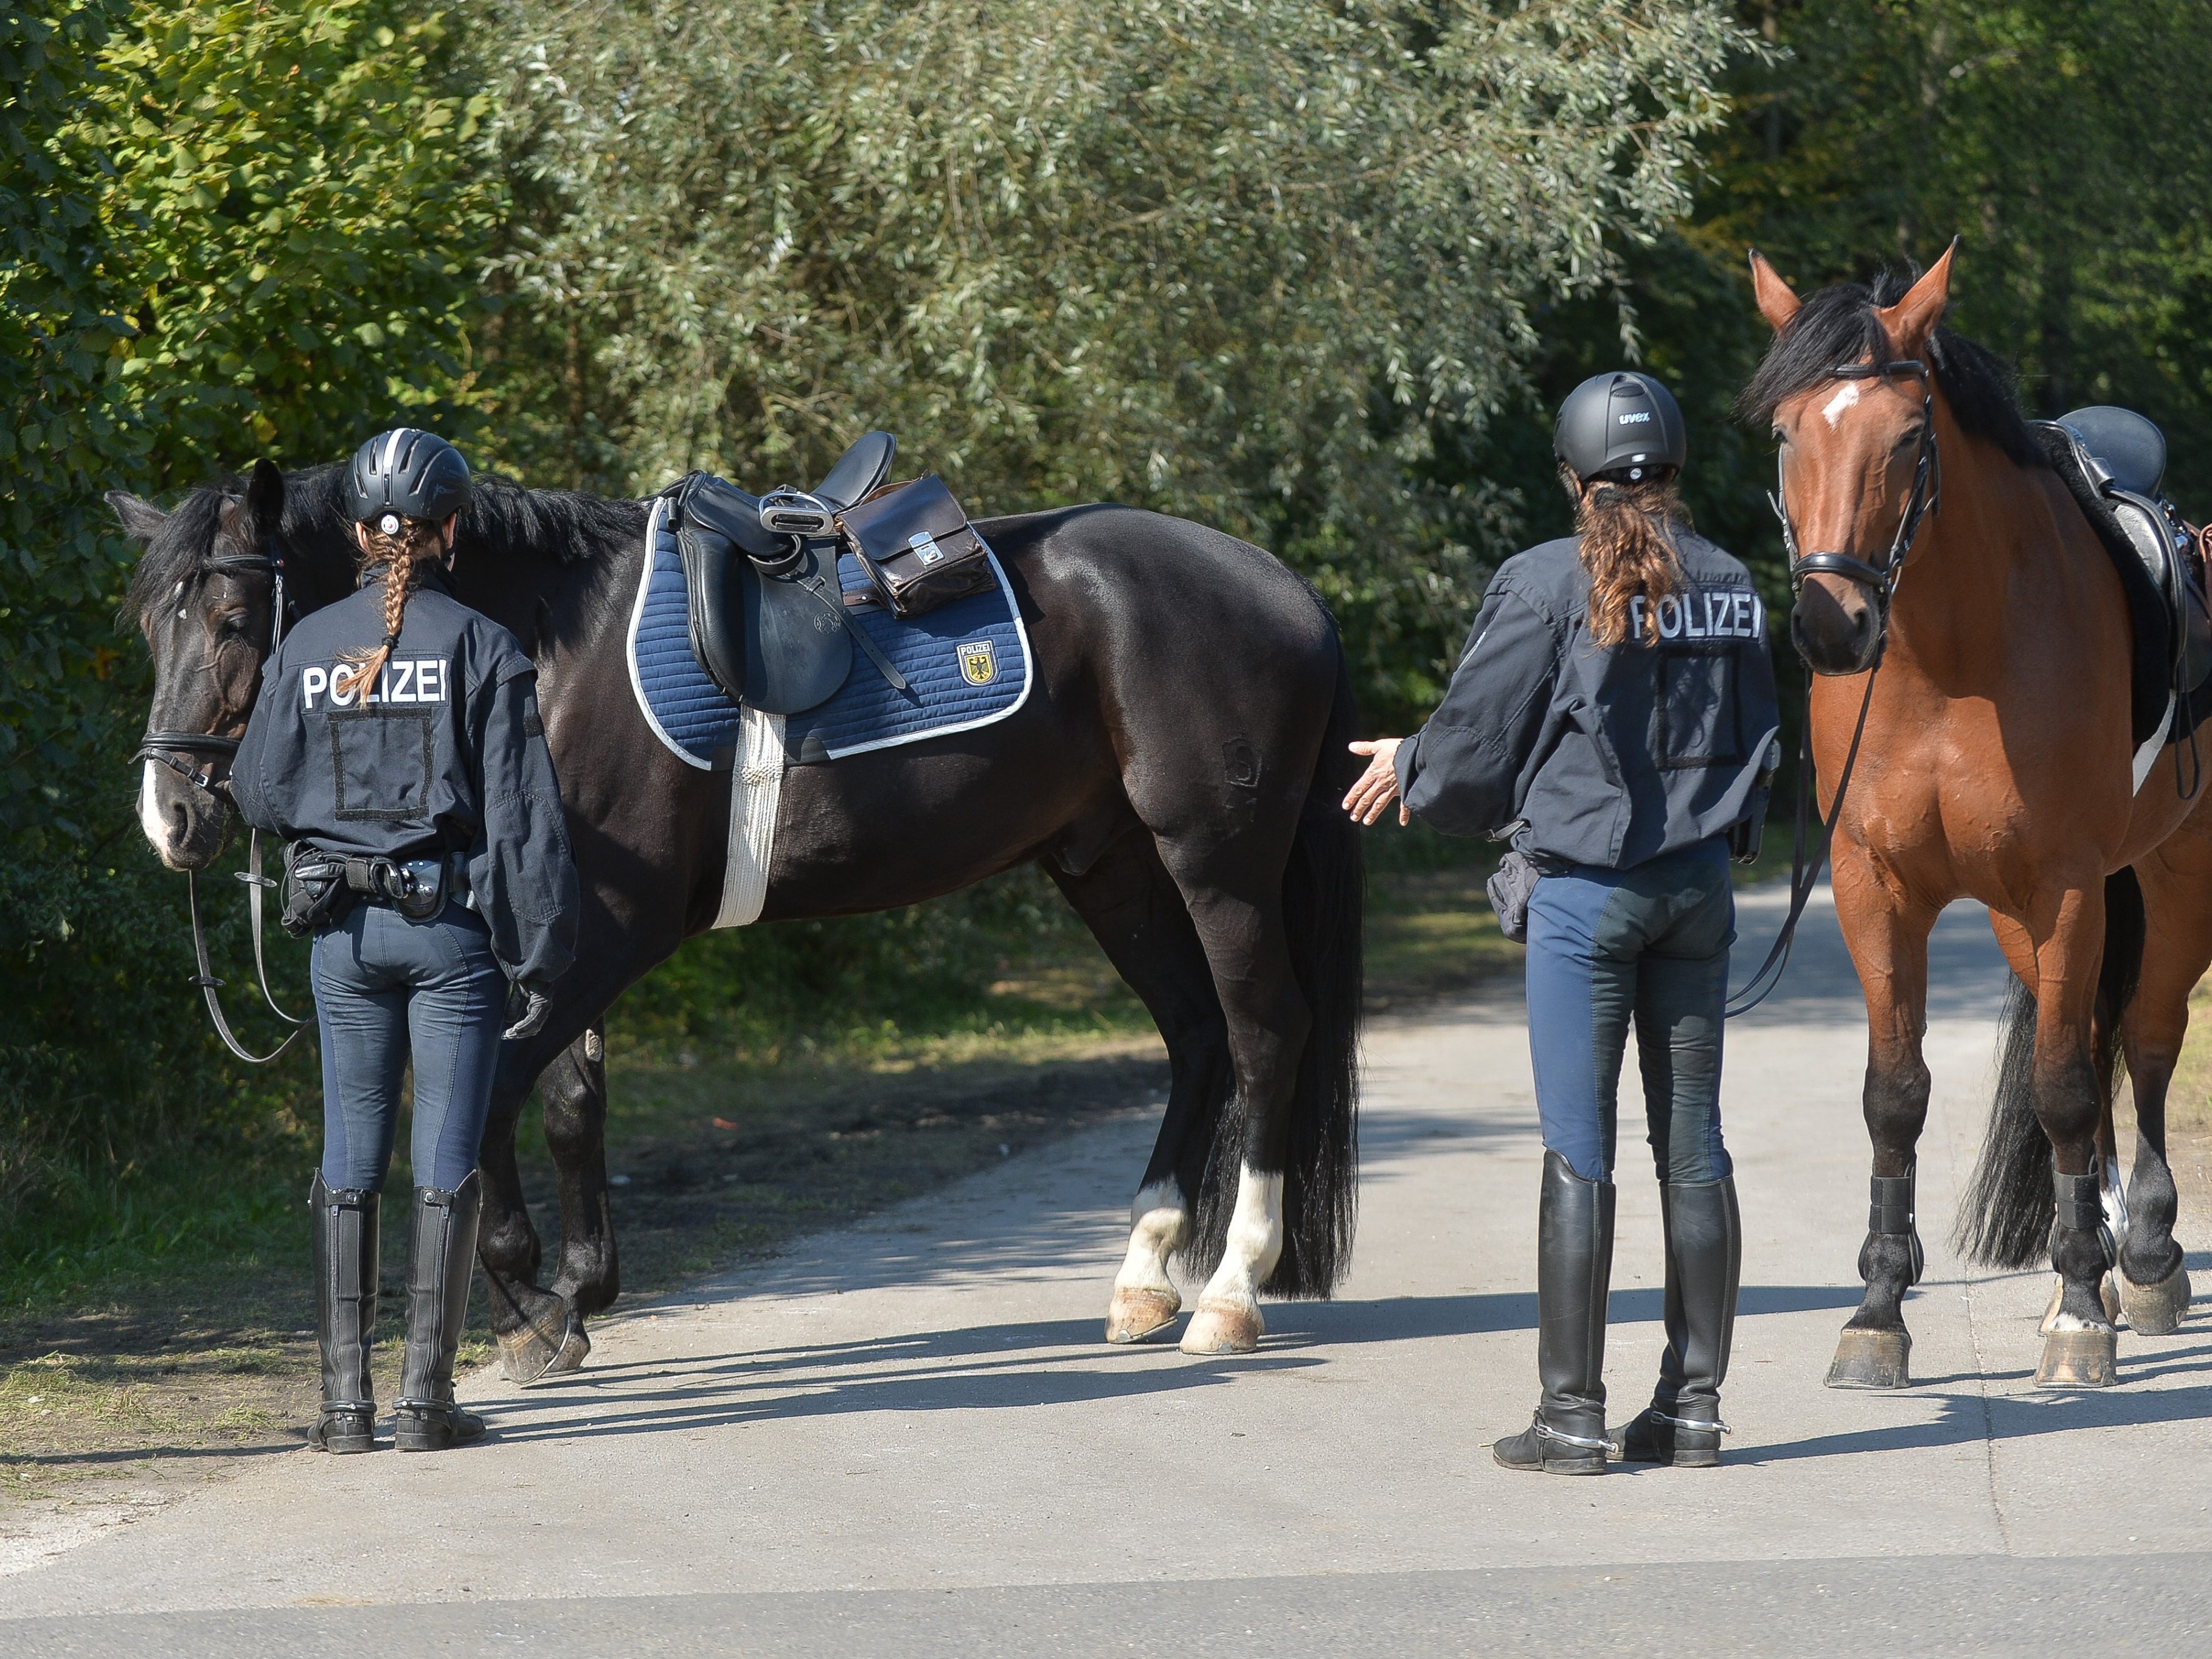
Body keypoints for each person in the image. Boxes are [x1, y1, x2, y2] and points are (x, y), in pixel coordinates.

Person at [1343, 372, 1780, 1474]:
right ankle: (1692, 1415)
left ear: (1571, 477)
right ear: (1673, 468)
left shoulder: (1545, 581)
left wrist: (1413, 763)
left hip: (1585, 905)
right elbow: (1762, 744)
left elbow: (1473, 749)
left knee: (1578, 1150)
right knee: (1694, 1146)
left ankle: (1570, 1417)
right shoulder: (1731, 583)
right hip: (1697, 899)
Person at [232, 429, 580, 1453]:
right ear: (452, 530)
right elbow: (523, 820)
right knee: (445, 1162)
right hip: (449, 941)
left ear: (353, 532)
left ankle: (346, 1413)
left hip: (341, 939)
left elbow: (256, 791)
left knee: (348, 1158)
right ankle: (427, 1404)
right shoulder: (481, 646)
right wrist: (544, 953)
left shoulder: (305, 647)